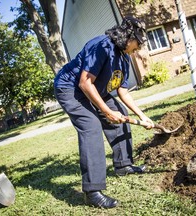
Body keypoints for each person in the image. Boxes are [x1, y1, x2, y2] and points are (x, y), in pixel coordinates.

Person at [53, 17, 154, 208]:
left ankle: (123, 165)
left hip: (95, 89)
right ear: (129, 36)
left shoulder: (124, 58)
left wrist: (142, 115)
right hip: (70, 88)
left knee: (119, 112)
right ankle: (92, 192)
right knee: (91, 126)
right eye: (138, 42)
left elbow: (122, 91)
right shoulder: (101, 46)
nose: (139, 47)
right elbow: (84, 82)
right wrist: (106, 111)